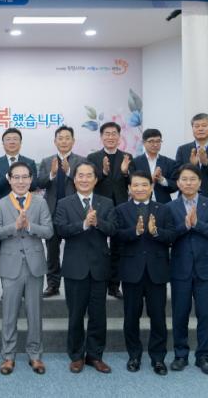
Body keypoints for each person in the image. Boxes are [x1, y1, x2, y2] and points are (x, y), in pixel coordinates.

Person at [0, 161, 53, 375]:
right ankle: (8, 356)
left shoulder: (40, 203)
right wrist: (14, 227)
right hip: (10, 266)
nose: (21, 181)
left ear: (31, 179)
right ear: (9, 179)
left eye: (25, 177)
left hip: (35, 265)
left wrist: (30, 226)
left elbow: (49, 231)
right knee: (9, 314)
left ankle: (35, 355)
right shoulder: (0, 205)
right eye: (16, 177)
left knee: (35, 313)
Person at [54, 161, 116, 375]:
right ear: (74, 179)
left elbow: (113, 229)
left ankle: (95, 356)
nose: (84, 179)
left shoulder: (106, 203)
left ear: (96, 179)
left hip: (99, 267)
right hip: (75, 268)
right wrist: (83, 224)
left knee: (98, 315)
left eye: (89, 175)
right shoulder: (64, 203)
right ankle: (77, 355)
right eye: (80, 175)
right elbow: (60, 230)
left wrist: (97, 222)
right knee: (76, 315)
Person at [114, 170, 175, 376]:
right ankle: (134, 355)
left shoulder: (163, 209)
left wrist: (155, 231)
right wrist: (136, 232)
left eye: (144, 185)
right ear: (129, 188)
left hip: (157, 272)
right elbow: (116, 236)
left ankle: (158, 358)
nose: (140, 188)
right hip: (131, 272)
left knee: (158, 317)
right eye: (136, 185)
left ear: (151, 187)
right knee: (131, 317)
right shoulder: (121, 210)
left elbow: (172, 235)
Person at [167, 164, 208, 376]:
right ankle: (180, 355)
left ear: (200, 182)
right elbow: (167, 236)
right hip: (180, 269)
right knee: (180, 314)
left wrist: (197, 224)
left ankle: (203, 357)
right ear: (178, 183)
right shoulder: (169, 208)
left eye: (192, 179)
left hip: (206, 269)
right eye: (184, 179)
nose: (188, 183)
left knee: (205, 314)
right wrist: (184, 226)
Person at [87, 121, 135, 299]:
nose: (110, 137)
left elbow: (134, 182)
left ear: (119, 136)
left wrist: (125, 172)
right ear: (101, 137)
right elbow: (88, 181)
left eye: (114, 133)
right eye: (107, 134)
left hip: (121, 207)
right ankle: (97, 281)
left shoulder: (127, 157)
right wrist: (104, 173)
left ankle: (114, 286)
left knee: (118, 247)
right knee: (98, 246)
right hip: (100, 207)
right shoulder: (93, 157)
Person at [37, 125, 86, 298]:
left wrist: (70, 172)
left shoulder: (81, 161)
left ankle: (77, 282)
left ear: (73, 141)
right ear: (55, 141)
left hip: (74, 211)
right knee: (52, 251)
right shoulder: (46, 161)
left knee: (77, 249)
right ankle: (53, 285)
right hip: (51, 211)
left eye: (67, 138)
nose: (64, 141)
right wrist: (51, 174)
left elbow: (85, 182)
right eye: (60, 138)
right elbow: (39, 183)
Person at [0, 128, 38, 200]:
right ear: (3, 144)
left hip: (25, 203)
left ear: (20, 143)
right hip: (3, 203)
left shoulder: (30, 163)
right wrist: (8, 176)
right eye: (8, 139)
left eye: (15, 139)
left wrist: (23, 178)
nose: (12, 142)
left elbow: (34, 186)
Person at [132, 129, 178, 203]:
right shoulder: (135, 162)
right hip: (141, 203)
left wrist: (162, 180)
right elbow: (132, 184)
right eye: (151, 141)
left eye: (158, 141)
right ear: (144, 143)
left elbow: (175, 186)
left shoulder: (170, 163)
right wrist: (151, 179)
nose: (155, 144)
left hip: (163, 204)